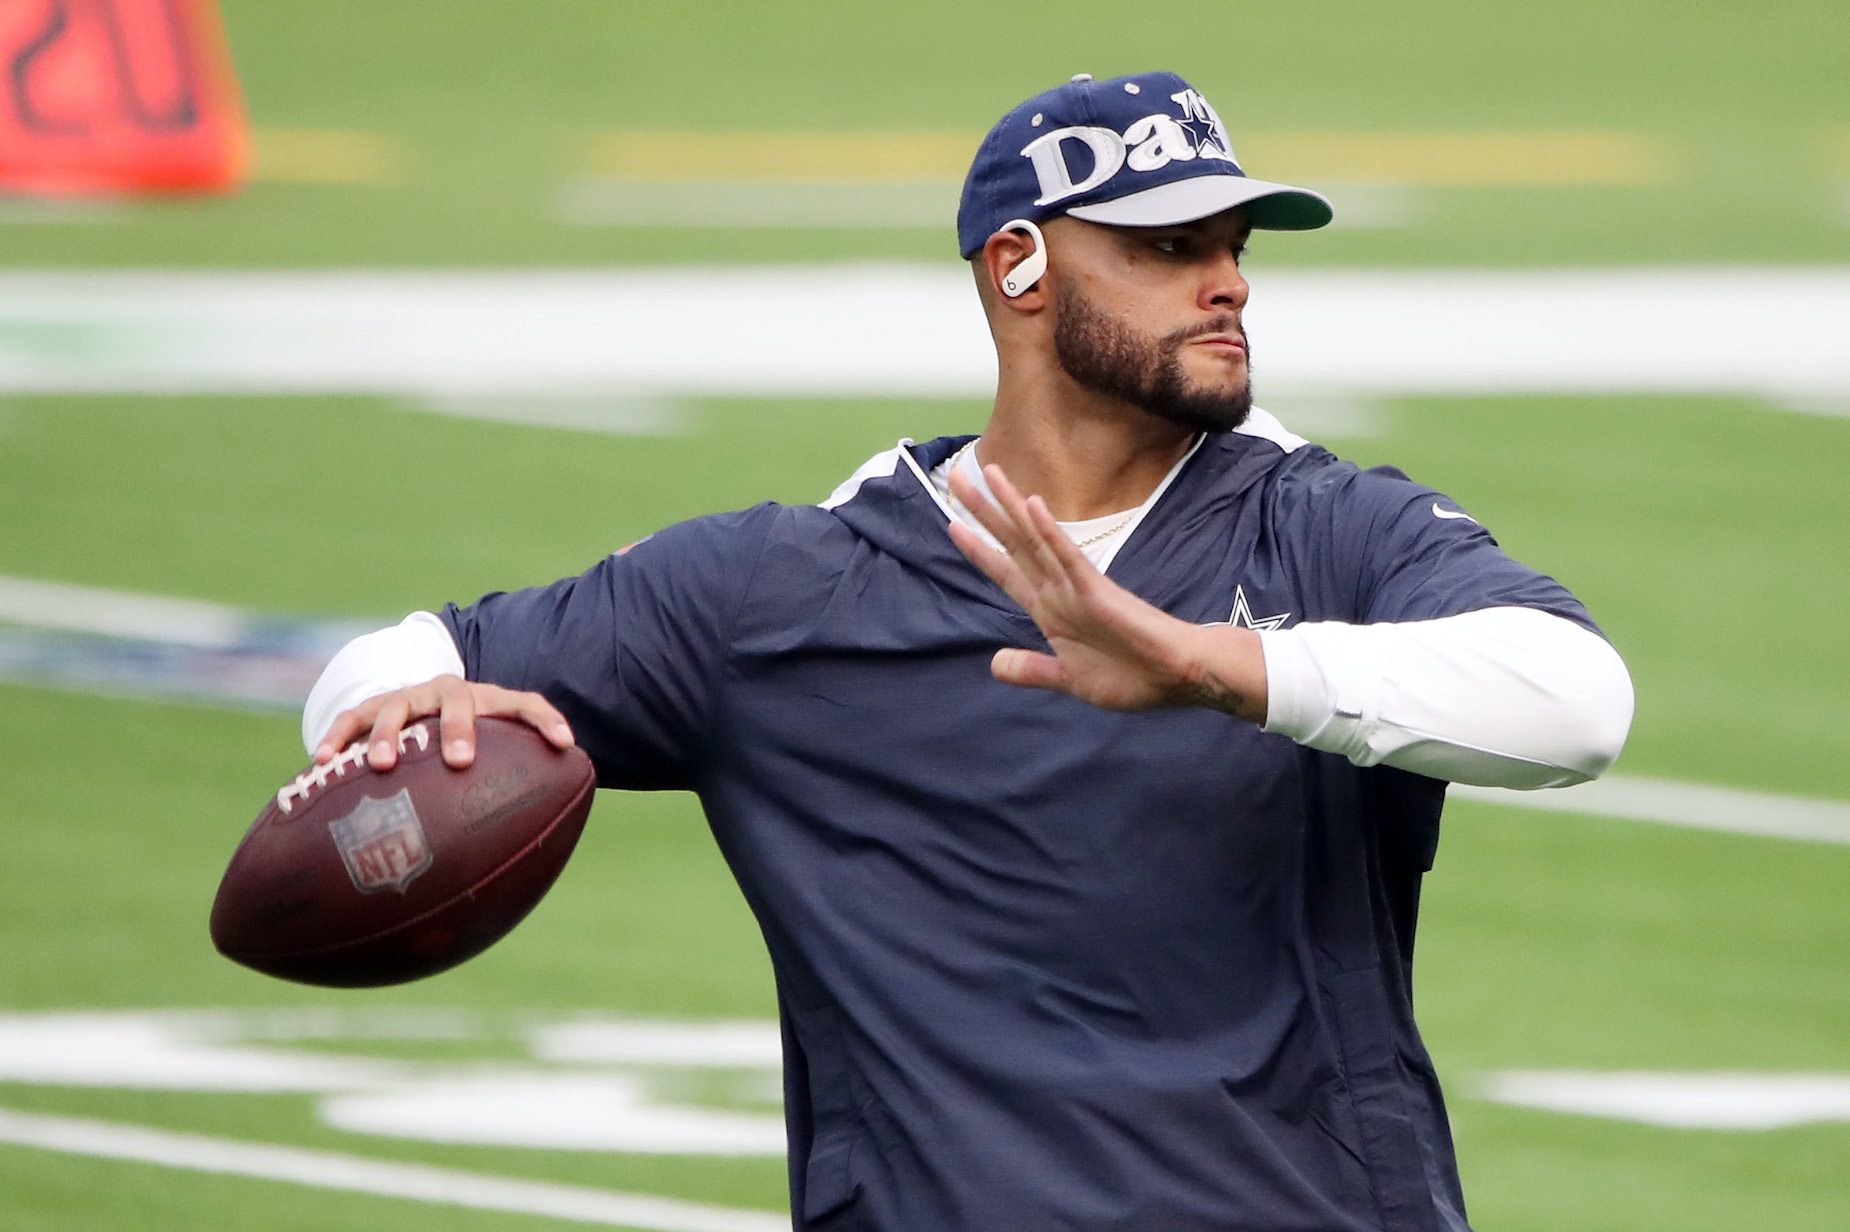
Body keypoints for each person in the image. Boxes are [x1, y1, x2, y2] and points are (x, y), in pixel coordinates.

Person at [304, 71, 1633, 1232]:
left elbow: (1577, 705)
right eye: (1166, 245)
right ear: (1018, 268)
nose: (1225, 279)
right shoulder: (784, 589)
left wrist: (1210, 666)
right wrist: (402, 708)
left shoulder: (1326, 526)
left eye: (1231, 244)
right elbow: (388, 663)